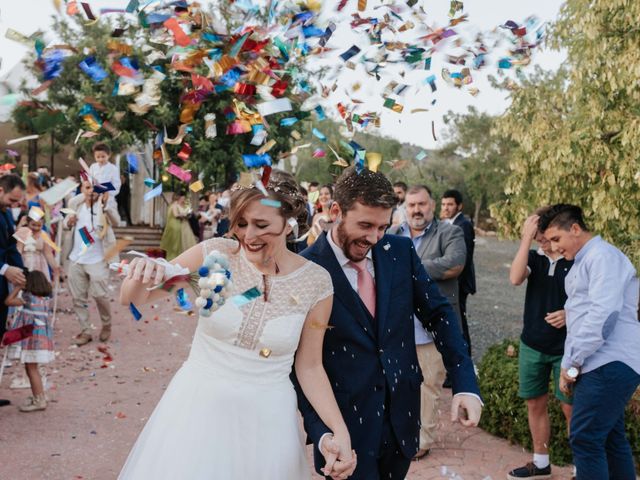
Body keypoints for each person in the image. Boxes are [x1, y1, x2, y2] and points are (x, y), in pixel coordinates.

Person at [117, 177, 356, 479]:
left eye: (260, 224)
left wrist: (340, 432)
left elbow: (309, 366)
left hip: (268, 422)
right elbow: (134, 298)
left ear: (288, 223)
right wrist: (139, 275)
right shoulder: (215, 255)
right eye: (241, 223)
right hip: (196, 411)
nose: (248, 235)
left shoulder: (317, 282)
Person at [296, 167, 482, 480]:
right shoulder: (307, 269)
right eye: (365, 225)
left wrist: (465, 383)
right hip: (344, 433)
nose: (374, 237)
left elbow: (438, 314)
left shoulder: (398, 251)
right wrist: (323, 432)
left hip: (402, 421)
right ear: (335, 211)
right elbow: (299, 365)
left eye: (383, 226)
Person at [539, 204, 640, 479]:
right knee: (608, 437)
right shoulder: (585, 260)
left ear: (575, 228)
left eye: (557, 239)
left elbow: (603, 317)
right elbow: (584, 312)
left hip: (609, 362)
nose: (555, 247)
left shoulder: (602, 257)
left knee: (585, 439)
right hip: (603, 362)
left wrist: (570, 365)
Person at [388, 184, 467, 460]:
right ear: (404, 208)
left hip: (431, 328)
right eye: (411, 205)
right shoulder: (391, 234)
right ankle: (399, 432)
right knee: (397, 384)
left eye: (421, 204)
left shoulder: (450, 232)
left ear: (431, 205)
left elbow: (454, 264)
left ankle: (422, 440)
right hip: (397, 327)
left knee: (429, 387)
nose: (416, 210)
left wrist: (409, 267)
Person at [507, 211, 574, 479]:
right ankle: (541, 462)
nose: (541, 242)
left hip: (567, 348)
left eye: (543, 236)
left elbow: (595, 300)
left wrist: (571, 314)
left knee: (571, 408)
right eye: (536, 237)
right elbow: (514, 278)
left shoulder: (574, 260)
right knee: (535, 403)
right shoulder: (534, 257)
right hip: (532, 344)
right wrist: (525, 240)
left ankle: (581, 467)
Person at [64, 181, 121, 346]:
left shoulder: (106, 205)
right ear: (82, 189)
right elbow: (65, 225)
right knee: (78, 298)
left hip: (98, 259)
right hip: (76, 259)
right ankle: (86, 330)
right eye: (87, 187)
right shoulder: (75, 204)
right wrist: (69, 222)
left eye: (94, 188)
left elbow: (116, 222)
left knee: (100, 295)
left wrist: (106, 205)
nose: (91, 191)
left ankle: (106, 324)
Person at [5, 270, 54, 412]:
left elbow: (8, 301)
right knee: (33, 367)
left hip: (31, 339)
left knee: (31, 368)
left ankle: (39, 399)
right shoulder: (46, 299)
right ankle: (40, 395)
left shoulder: (28, 298)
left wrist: (19, 287)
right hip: (42, 338)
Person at [0, 173, 26, 407]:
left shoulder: (7, 214)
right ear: (0, 190)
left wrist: (22, 271)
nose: (15, 205)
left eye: (18, 202)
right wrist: (4, 269)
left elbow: (10, 245)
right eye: (12, 200)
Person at [441, 189, 476, 357]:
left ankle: (464, 361)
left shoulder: (463, 225)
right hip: (452, 283)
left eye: (450, 204)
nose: (446, 208)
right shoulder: (448, 223)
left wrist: (454, 284)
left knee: (459, 323)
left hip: (459, 283)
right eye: (443, 204)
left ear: (459, 206)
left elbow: (464, 259)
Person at [15, 214, 60, 282]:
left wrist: (55, 267)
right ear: (28, 223)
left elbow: (48, 254)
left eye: (39, 225)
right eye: (33, 225)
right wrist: (18, 267)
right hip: (25, 262)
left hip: (40, 264)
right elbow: (18, 250)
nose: (36, 228)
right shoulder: (23, 232)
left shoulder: (44, 235)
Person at [159, 192, 198, 260]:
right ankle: (179, 255)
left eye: (184, 198)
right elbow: (176, 215)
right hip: (179, 224)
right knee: (179, 240)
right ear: (179, 198)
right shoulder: (174, 205)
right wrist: (184, 215)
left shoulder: (185, 205)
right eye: (182, 198)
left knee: (188, 239)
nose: (183, 199)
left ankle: (190, 254)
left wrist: (188, 215)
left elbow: (188, 212)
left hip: (185, 224)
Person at [89, 142, 121, 211]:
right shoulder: (93, 167)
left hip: (108, 196)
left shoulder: (113, 168)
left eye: (103, 157)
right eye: (98, 157)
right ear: (94, 156)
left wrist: (108, 192)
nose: (100, 159)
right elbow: (89, 180)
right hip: (94, 194)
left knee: (106, 211)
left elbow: (117, 184)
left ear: (108, 155)